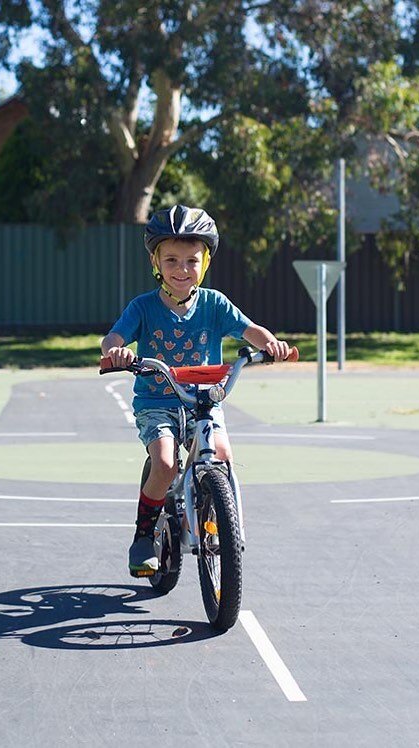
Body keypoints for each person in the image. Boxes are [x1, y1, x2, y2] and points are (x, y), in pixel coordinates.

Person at [101, 205, 291, 576]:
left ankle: (219, 516)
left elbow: (249, 329)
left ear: (204, 263)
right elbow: (114, 337)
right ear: (156, 261)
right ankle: (143, 534)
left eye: (191, 260)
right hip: (158, 401)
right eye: (171, 259)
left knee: (221, 454)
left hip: (204, 400)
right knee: (167, 462)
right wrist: (116, 352)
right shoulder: (143, 307)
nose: (181, 269)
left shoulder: (215, 304)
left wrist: (272, 344)